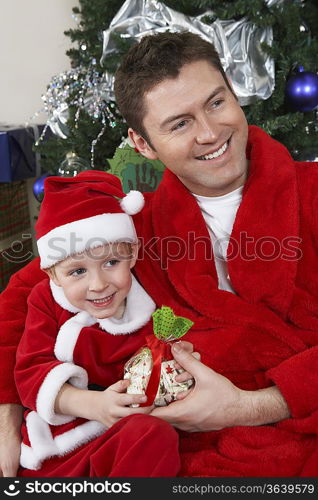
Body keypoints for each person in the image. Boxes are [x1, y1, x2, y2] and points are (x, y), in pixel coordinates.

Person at [1, 30, 318, 477]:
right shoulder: (126, 234)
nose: (210, 133)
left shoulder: (312, 194)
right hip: (188, 451)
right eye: (179, 123)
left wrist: (252, 406)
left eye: (216, 102)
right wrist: (6, 417)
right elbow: (23, 296)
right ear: (143, 144)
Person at [14, 170, 183, 477]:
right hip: (64, 440)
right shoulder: (45, 300)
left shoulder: (148, 293)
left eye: (111, 263)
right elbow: (29, 372)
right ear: (52, 274)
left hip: (129, 431)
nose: (98, 285)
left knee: (155, 436)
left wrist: (178, 363)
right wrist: (91, 404)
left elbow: (168, 338)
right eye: (77, 272)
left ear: (131, 255)